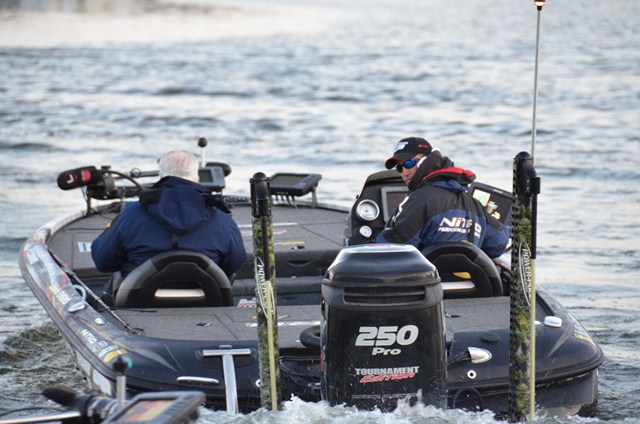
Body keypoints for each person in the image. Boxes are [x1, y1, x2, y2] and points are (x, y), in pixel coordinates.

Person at [92, 150, 247, 304]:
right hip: (208, 301)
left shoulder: (131, 213)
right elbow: (236, 261)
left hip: (138, 301)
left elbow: (103, 261)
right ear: (197, 179)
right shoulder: (221, 216)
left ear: (161, 177)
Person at [375, 137, 509, 259]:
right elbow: (499, 244)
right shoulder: (473, 204)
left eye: (409, 163)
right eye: (399, 167)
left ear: (424, 161)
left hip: (430, 278)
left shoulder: (420, 200)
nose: (404, 172)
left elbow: (392, 249)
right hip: (470, 277)